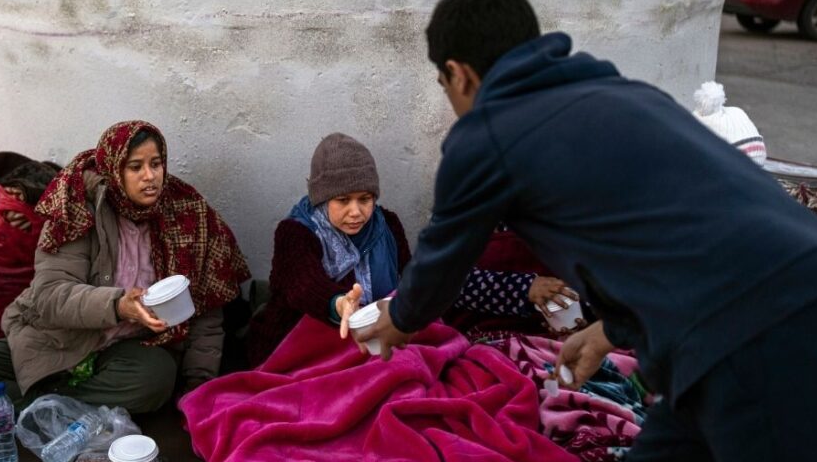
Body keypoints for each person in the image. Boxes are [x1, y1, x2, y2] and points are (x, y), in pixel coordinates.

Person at [355, 0, 817, 462]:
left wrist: (396, 318)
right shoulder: (616, 92)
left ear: (459, 74)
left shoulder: (488, 132)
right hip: (794, 290)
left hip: (758, 326)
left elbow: (442, 260)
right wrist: (608, 330)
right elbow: (671, 234)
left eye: (445, 86)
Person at [0, 121, 250, 423]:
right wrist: (118, 305)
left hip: (125, 350)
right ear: (114, 169)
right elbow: (50, 296)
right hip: (56, 337)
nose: (150, 176)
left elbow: (207, 311)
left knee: (156, 380)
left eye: (156, 164)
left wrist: (197, 382)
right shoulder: (77, 211)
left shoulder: (186, 215)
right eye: (135, 167)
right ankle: (57, 405)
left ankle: (44, 405)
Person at [246, 132, 577, 365]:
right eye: (342, 201)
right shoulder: (296, 232)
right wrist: (339, 305)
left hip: (374, 340)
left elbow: (410, 280)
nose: (356, 211)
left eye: (365, 199)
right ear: (321, 198)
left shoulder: (387, 225)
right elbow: (303, 285)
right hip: (305, 344)